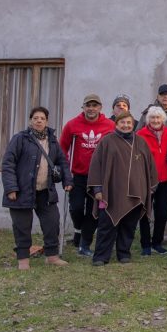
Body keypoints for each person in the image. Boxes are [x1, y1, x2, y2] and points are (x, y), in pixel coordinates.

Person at [2, 107, 74, 270]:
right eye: (35, 118)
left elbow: (62, 162)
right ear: (31, 121)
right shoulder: (20, 139)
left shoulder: (53, 140)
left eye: (42, 118)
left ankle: (52, 256)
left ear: (47, 121)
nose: (39, 121)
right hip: (22, 191)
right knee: (22, 226)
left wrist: (67, 180)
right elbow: (8, 163)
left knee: (52, 223)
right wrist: (11, 187)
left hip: (45, 191)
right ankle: (23, 260)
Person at [88, 111, 157, 266]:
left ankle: (124, 253)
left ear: (133, 125)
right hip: (111, 192)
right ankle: (101, 256)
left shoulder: (141, 142)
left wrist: (150, 187)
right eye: (122, 123)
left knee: (129, 226)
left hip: (136, 192)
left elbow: (150, 166)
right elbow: (96, 166)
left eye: (129, 123)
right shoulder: (106, 141)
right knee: (107, 225)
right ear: (116, 124)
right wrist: (98, 189)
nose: (126, 125)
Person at [60, 93, 115, 256]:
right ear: (83, 107)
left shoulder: (109, 125)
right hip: (78, 174)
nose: (91, 109)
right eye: (88, 105)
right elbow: (62, 148)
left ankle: (84, 244)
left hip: (99, 177)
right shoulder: (72, 125)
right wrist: (64, 171)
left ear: (100, 107)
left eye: (94, 105)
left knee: (94, 211)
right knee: (76, 208)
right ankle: (78, 229)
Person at [136, 106, 167, 255]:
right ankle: (145, 244)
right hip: (146, 180)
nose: (156, 120)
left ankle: (157, 242)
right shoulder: (140, 134)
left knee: (162, 213)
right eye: (152, 118)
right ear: (148, 120)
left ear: (163, 119)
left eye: (158, 118)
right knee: (145, 212)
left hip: (165, 179)